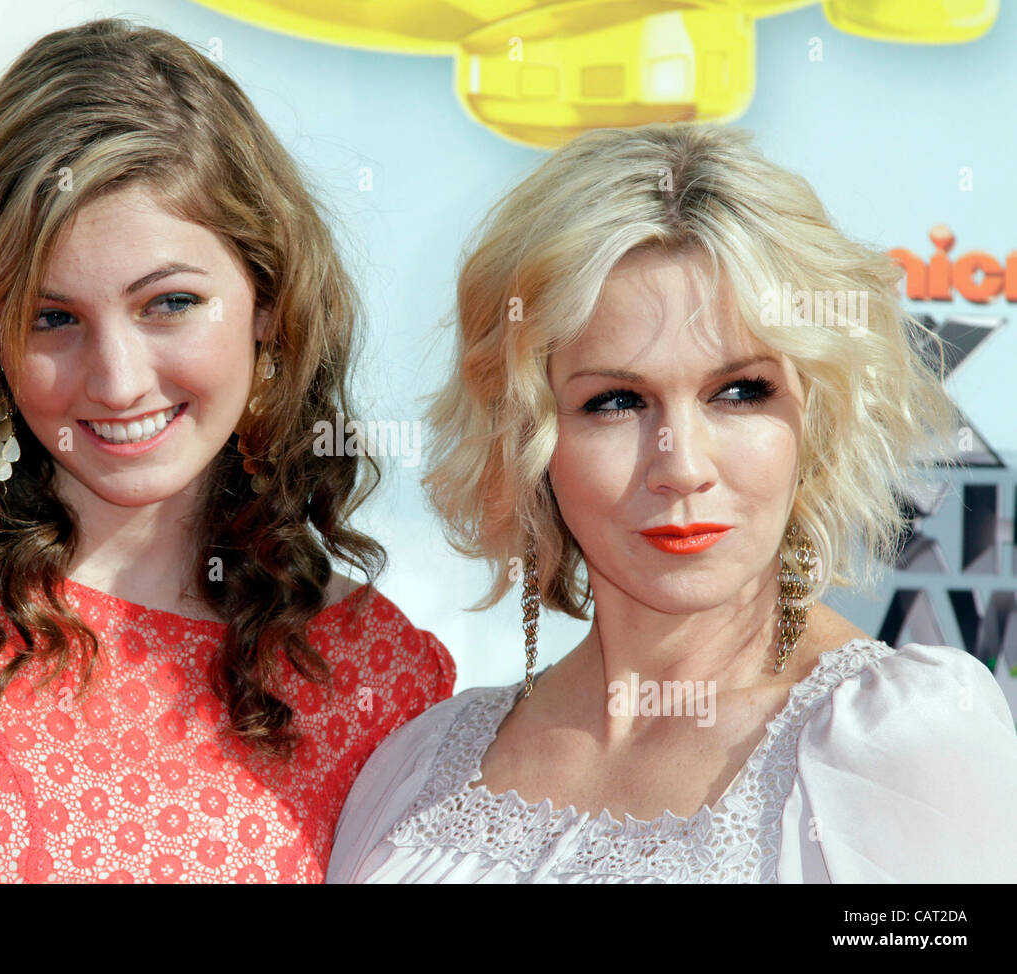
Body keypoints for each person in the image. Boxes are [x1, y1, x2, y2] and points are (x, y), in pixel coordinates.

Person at [0, 18, 454, 884]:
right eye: (52, 317)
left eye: (169, 304)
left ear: (268, 302)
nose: (116, 380)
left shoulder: (378, 675)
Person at [326, 122, 1017, 883]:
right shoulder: (414, 771)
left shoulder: (900, 744)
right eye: (617, 401)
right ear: (526, 433)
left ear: (813, 417)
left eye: (740, 392)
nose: (681, 466)